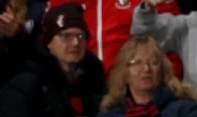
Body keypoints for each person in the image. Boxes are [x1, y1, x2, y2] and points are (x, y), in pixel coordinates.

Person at [46, 0, 183, 76]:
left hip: (136, 92)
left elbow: (173, 45)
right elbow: (48, 42)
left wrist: (168, 88)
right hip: (81, 93)